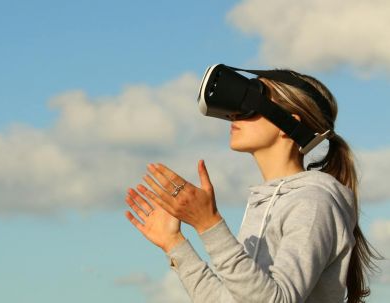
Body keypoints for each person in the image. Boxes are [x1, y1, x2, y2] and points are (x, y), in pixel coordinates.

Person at [124, 69, 380, 302]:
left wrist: (208, 224)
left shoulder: (313, 203)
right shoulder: (264, 203)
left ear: (288, 124)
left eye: (250, 104)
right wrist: (175, 244)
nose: (234, 113)